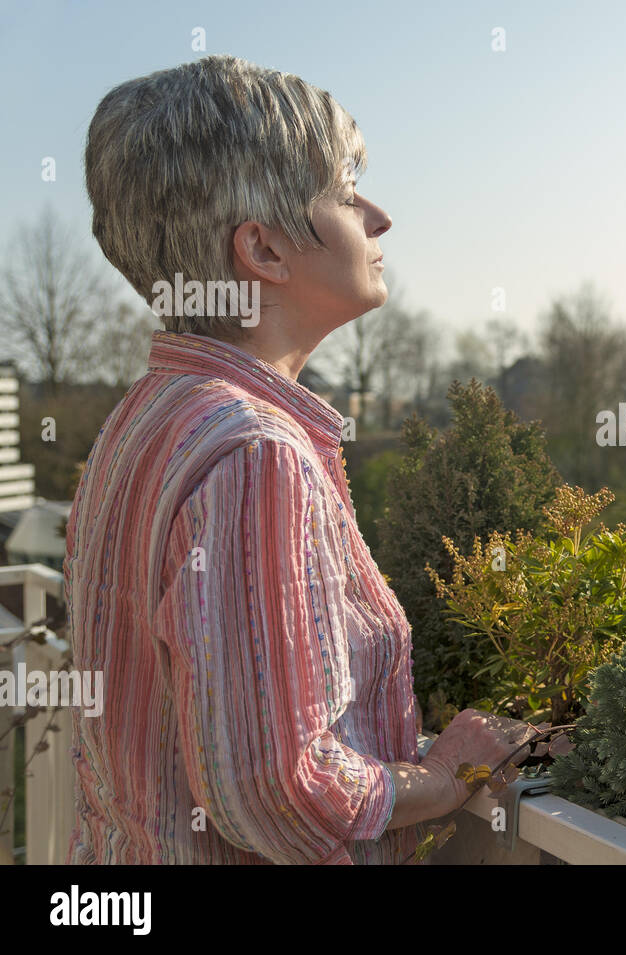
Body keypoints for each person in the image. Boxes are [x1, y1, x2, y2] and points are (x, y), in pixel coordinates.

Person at [67, 53, 530, 864]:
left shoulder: (139, 424)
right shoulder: (254, 455)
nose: (378, 217)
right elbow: (278, 787)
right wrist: (444, 774)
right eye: (348, 193)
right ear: (264, 252)